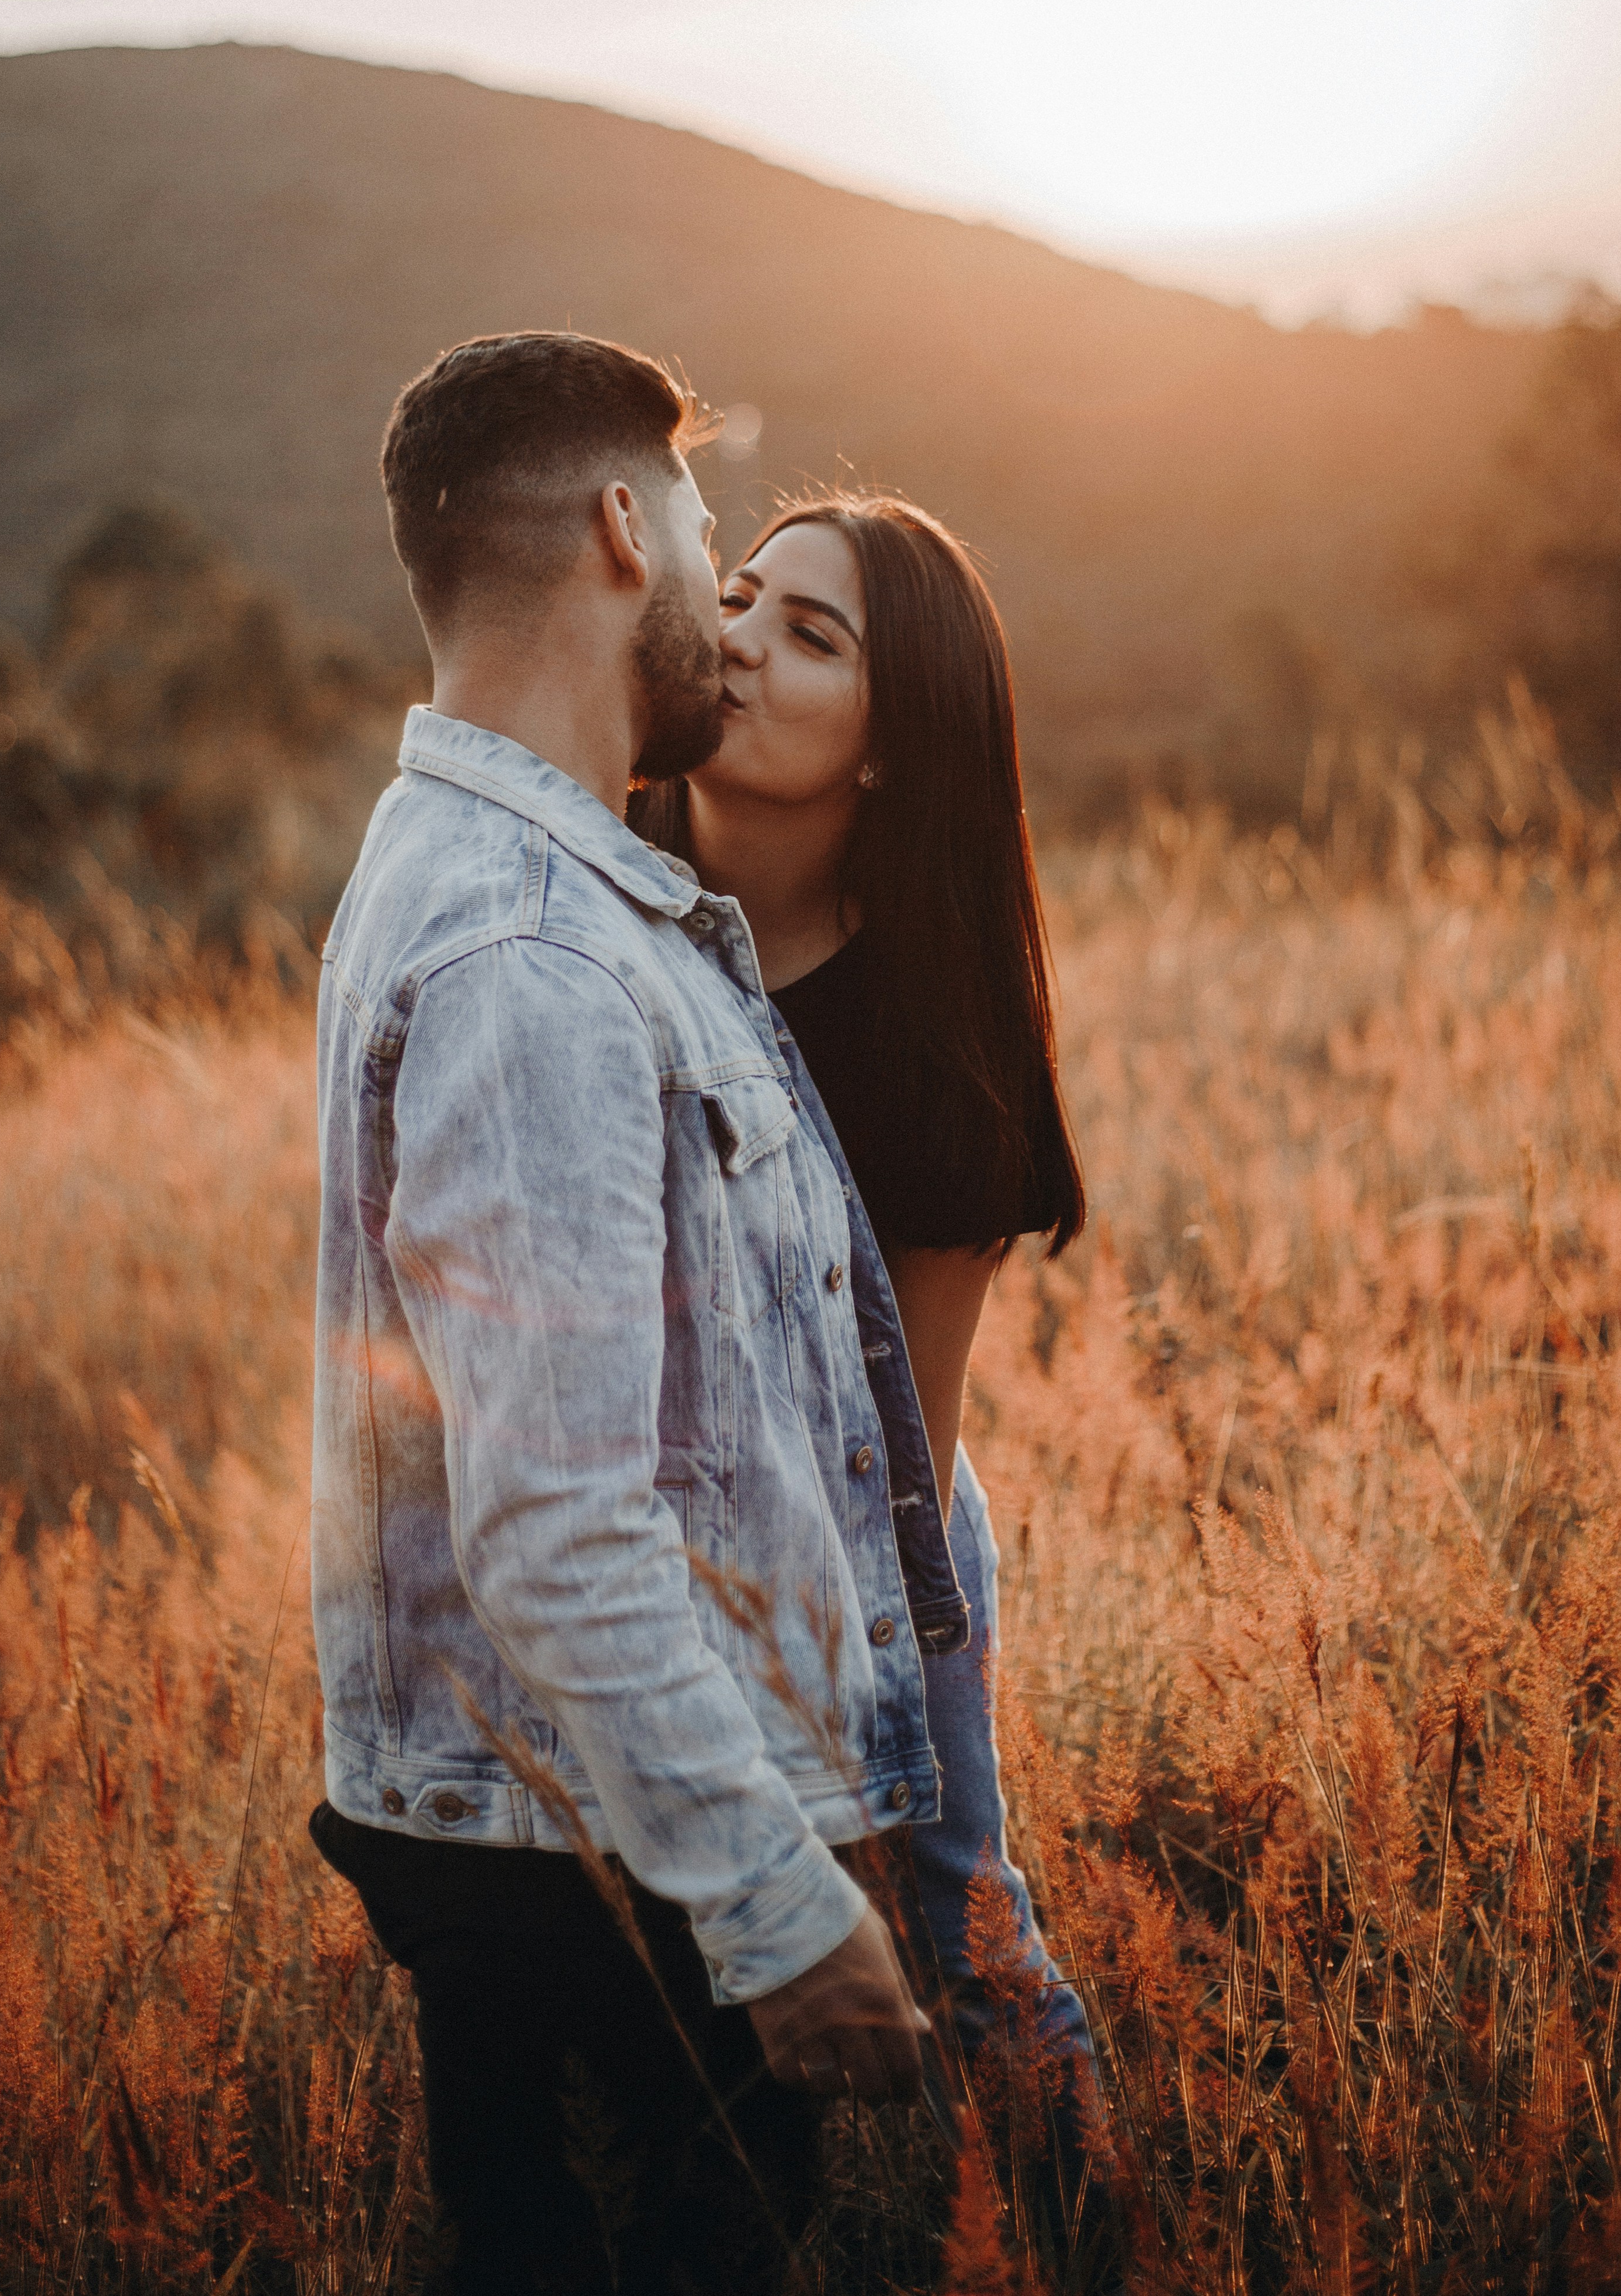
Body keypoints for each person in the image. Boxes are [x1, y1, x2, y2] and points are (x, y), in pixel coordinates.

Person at [307, 336, 967, 2296]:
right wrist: (771, 1906)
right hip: (584, 1872)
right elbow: (559, 1525)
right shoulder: (533, 950)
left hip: (572, 1827)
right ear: (621, 527)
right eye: (700, 530)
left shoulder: (506, 876)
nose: (721, 601)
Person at [631, 490, 1109, 2252]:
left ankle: (1088, 2239)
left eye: (810, 634)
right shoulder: (590, 896)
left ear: (896, 750)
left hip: (868, 1533)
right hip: (617, 1521)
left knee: (966, 1935)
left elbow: (906, 1448)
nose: (741, 634)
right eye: (739, 593)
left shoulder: (931, 1037)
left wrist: (831, 1745)